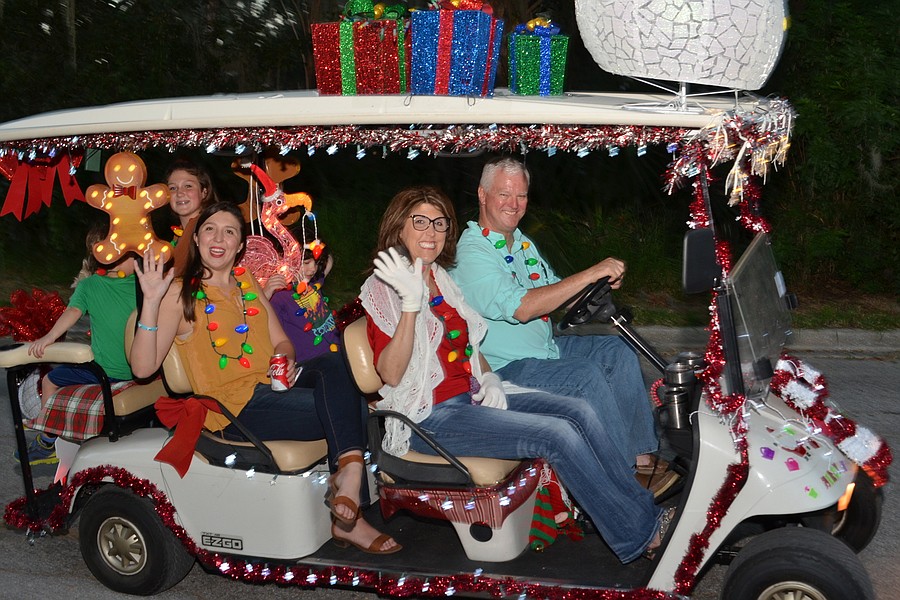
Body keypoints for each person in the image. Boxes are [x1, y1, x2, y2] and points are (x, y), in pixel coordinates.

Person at [360, 186, 673, 563]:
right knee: (556, 434)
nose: (431, 232)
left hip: (470, 399)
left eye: (440, 223)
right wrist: (410, 306)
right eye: (420, 222)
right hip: (431, 418)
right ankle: (638, 533)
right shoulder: (385, 287)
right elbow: (390, 374)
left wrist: (489, 378)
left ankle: (641, 511)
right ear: (399, 228)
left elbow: (471, 350)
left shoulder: (440, 278)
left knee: (579, 410)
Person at [130, 201, 399, 555]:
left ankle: (348, 477)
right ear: (196, 239)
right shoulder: (179, 296)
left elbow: (282, 342)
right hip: (233, 407)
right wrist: (150, 301)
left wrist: (284, 361)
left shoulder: (246, 282)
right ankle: (352, 510)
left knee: (335, 365)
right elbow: (143, 367)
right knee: (351, 409)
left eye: (230, 231)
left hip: (270, 387)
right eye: (210, 229)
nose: (219, 238)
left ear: (241, 245)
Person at [450, 157, 678, 497]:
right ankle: (621, 479)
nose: (514, 204)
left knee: (615, 350)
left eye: (522, 196)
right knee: (585, 376)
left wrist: (592, 289)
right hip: (506, 368)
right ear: (483, 195)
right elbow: (524, 307)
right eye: (504, 194)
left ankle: (641, 458)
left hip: (546, 350)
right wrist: (590, 273)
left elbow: (554, 291)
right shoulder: (472, 252)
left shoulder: (521, 244)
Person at [21, 224, 137, 465]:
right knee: (50, 379)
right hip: (133, 370)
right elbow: (72, 311)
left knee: (49, 381)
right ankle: (48, 440)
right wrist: (49, 337)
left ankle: (46, 440)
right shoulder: (139, 284)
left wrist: (49, 338)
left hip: (108, 372)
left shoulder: (137, 285)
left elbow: (73, 311)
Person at [263, 236, 340, 360]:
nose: (313, 269)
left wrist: (314, 244)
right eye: (306, 263)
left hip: (338, 349)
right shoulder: (278, 297)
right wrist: (265, 293)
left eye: (316, 263)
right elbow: (260, 322)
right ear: (287, 261)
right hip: (311, 362)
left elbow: (329, 259)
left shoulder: (313, 283)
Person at [165, 159, 219, 277]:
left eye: (188, 186)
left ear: (204, 192)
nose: (179, 193)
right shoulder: (176, 236)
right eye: (173, 188)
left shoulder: (212, 230)